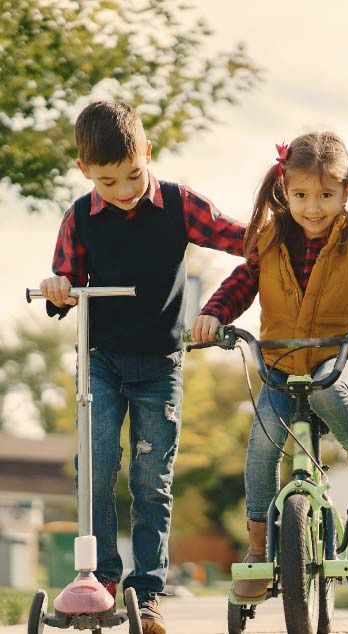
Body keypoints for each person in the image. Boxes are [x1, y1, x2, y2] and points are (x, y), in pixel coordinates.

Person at [191, 131, 348, 602]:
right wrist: (213, 315)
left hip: (342, 360)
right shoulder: (269, 240)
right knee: (261, 444)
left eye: (325, 195)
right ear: (284, 190)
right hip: (279, 364)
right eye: (301, 195)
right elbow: (241, 284)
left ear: (346, 192)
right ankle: (258, 549)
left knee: (327, 387)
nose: (313, 207)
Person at [40, 100, 245, 634]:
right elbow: (64, 284)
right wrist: (57, 287)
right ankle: (101, 582)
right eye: (109, 182)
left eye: (133, 175)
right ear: (85, 170)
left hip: (160, 364)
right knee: (97, 469)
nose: (126, 190)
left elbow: (238, 237)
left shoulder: (178, 203)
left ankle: (147, 592)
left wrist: (292, 235)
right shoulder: (80, 216)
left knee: (152, 480)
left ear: (147, 153)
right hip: (102, 362)